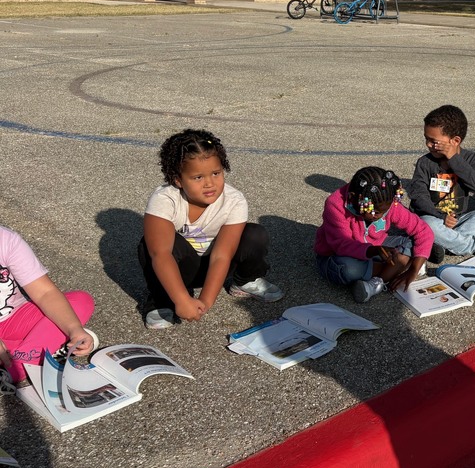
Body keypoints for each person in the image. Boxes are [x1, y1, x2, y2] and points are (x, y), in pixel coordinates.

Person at [139, 129, 283, 329]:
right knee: (150, 245)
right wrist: (181, 299)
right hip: (180, 269)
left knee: (254, 234)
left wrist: (206, 301)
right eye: (197, 177)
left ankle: (244, 281)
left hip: (216, 267)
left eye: (216, 173)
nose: (209, 183)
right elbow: (161, 254)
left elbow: (222, 256)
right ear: (178, 180)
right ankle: (162, 299)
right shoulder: (165, 199)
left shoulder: (234, 200)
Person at [314, 167, 433, 303]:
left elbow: (423, 230)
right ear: (353, 198)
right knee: (347, 269)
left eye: (384, 211)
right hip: (339, 255)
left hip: (378, 247)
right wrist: (372, 251)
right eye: (374, 212)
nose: (380, 215)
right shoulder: (335, 205)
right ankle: (398, 267)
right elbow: (342, 245)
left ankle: (377, 282)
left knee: (413, 242)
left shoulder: (387, 200)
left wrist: (412, 270)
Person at [1, 225, 95, 388]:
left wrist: (74, 329)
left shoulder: (6, 240)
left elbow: (45, 293)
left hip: (14, 318)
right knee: (57, 330)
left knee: (81, 302)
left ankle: (17, 361)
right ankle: (41, 350)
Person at [409, 105, 475, 262]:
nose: (428, 144)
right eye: (426, 139)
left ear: (455, 141)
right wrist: (441, 216)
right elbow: (419, 197)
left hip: (457, 220)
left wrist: (454, 159)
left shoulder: (471, 159)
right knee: (427, 224)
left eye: (434, 141)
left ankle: (439, 244)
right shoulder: (425, 163)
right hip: (432, 217)